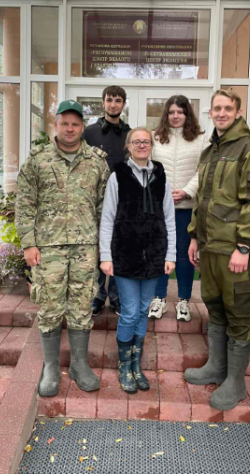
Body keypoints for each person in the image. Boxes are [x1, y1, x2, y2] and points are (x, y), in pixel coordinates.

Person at [184, 89, 250, 411]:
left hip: (234, 251)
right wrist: (194, 237)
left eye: (227, 108)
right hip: (209, 249)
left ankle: (235, 382)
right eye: (216, 108)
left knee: (240, 314)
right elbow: (202, 201)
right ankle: (216, 367)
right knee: (215, 307)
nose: (221, 113)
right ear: (210, 113)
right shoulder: (209, 152)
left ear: (237, 112)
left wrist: (244, 247)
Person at [16, 100, 109, 397]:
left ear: (83, 127)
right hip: (48, 248)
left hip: (85, 247)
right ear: (55, 125)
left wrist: (102, 247)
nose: (70, 129)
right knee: (50, 307)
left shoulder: (97, 161)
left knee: (82, 306)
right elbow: (25, 203)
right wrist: (28, 244)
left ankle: (80, 364)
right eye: (64, 123)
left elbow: (104, 208)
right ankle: (52, 367)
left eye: (75, 124)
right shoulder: (37, 159)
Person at [100, 127, 176, 393]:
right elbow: (107, 218)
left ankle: (136, 365)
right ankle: (124, 366)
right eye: (136, 141)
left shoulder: (161, 175)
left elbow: (169, 219)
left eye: (146, 141)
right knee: (130, 311)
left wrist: (170, 255)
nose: (142, 145)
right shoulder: (118, 175)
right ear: (129, 146)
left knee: (143, 310)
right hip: (125, 255)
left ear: (151, 145)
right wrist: (106, 257)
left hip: (154, 256)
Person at [148, 95, 204, 322]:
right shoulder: (154, 138)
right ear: (166, 114)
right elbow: (147, 168)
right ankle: (158, 299)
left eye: (180, 112)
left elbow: (205, 171)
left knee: (184, 255)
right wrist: (161, 193)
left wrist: (186, 191)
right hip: (160, 207)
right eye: (171, 112)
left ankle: (183, 301)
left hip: (187, 207)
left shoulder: (201, 139)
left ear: (187, 113)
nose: (175, 116)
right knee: (160, 252)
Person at [83, 85, 131, 317]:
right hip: (94, 201)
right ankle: (98, 295)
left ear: (123, 104)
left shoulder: (129, 134)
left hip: (123, 202)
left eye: (118, 100)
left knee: (119, 248)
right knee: (98, 248)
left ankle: (116, 296)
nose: (113, 104)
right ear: (103, 103)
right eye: (109, 100)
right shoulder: (89, 133)